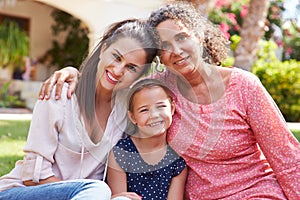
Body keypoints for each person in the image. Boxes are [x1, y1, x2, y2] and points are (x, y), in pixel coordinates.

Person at [38, 2, 300, 199]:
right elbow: (115, 79)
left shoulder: (244, 86)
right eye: (164, 47)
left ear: (199, 36)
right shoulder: (158, 88)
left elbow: (287, 157)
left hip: (255, 191)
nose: (175, 51)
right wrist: (74, 73)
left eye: (182, 37)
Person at [0, 18, 158, 200]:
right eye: (116, 57)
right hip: (20, 192)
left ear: (139, 75)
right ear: (104, 49)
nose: (118, 69)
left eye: (131, 67)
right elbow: (32, 178)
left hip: (87, 196)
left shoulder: (126, 111)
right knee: (99, 191)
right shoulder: (59, 93)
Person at [107, 79, 187, 200]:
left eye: (161, 106)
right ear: (133, 117)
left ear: (171, 109)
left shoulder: (177, 161)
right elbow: (118, 197)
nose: (154, 115)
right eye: (144, 110)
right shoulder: (121, 153)